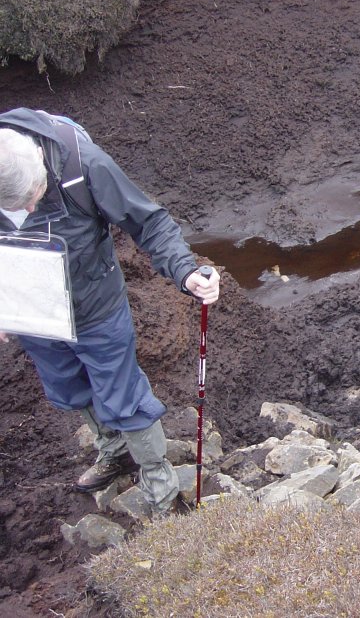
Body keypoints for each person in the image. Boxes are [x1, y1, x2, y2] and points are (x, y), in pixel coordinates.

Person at [0, 107, 220, 516]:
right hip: (33, 313)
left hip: (96, 307)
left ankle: (162, 492)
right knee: (68, 386)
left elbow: (149, 223)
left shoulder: (85, 165)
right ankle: (114, 452)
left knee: (124, 398)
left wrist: (186, 271)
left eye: (33, 200)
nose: (28, 213)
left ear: (41, 167)